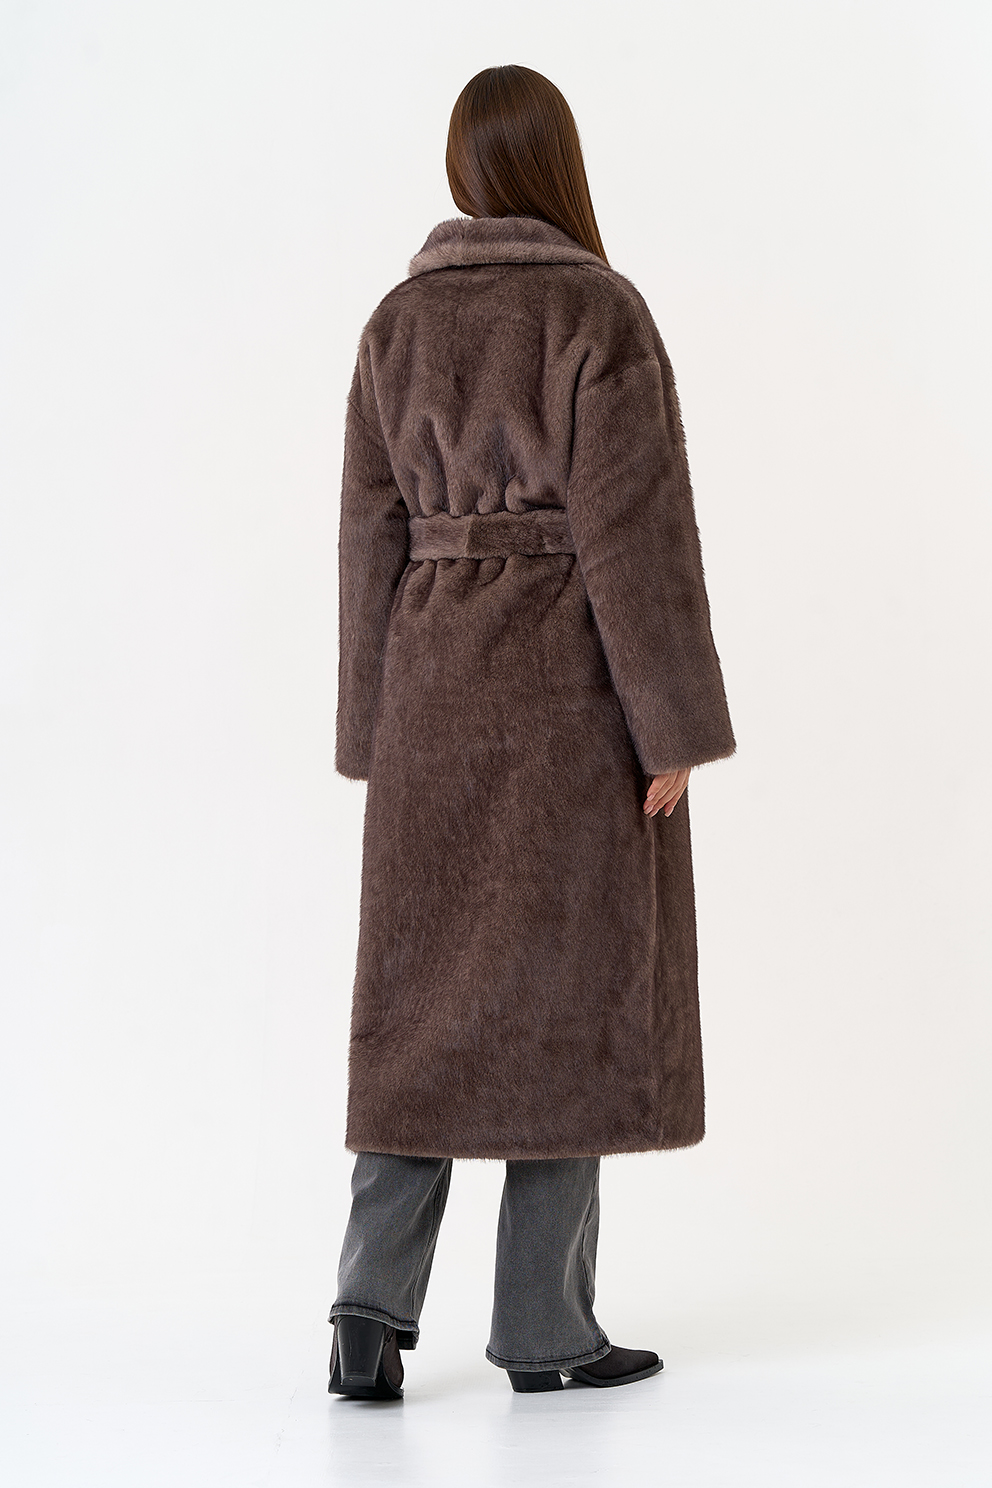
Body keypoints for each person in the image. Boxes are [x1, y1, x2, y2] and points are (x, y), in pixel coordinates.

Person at [328, 64, 737, 1400]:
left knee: (419, 1009)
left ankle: (367, 1317)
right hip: (568, 701)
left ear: (464, 172)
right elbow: (636, 537)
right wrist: (670, 727)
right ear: (556, 165)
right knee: (567, 997)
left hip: (431, 697)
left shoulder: (395, 323)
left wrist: (370, 730)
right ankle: (548, 1333)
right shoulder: (597, 312)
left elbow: (368, 540)